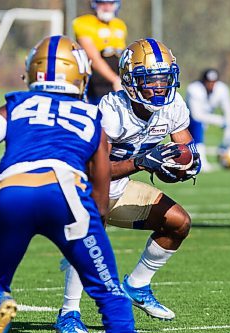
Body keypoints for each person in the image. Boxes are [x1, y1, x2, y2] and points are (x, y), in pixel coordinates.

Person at [0, 35, 136, 333]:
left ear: (33, 72)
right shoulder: (92, 116)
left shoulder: (16, 104)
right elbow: (100, 192)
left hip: (12, 193)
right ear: (80, 75)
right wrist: (87, 239)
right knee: (111, 297)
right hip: (66, 196)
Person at [54, 38, 201, 332]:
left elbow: (188, 151)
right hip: (81, 188)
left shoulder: (173, 106)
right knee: (92, 232)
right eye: (151, 80)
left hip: (119, 188)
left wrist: (183, 167)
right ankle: (68, 313)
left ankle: (137, 285)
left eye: (165, 79)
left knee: (178, 223)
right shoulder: (110, 111)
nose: (160, 87)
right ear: (131, 83)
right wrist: (144, 162)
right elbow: (94, 171)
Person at [72, 0, 126, 105]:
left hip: (116, 85)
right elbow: (94, 59)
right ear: (95, 4)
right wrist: (115, 79)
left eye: (110, 3)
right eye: (103, 3)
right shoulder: (84, 23)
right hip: (96, 86)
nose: (107, 7)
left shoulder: (120, 25)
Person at [186, 68, 230, 172]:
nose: (211, 85)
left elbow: (228, 111)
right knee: (196, 129)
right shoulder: (194, 89)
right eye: (208, 82)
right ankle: (201, 161)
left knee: (229, 136)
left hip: (206, 117)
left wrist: (228, 135)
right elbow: (196, 115)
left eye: (213, 82)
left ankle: (225, 151)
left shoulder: (222, 89)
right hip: (188, 119)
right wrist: (219, 120)